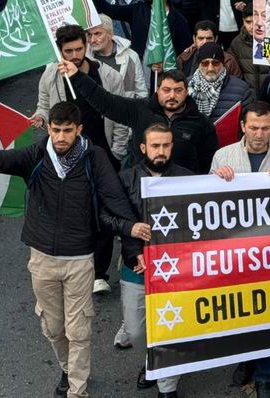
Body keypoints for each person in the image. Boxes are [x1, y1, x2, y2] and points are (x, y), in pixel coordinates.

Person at [0, 102, 142, 398]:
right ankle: (68, 369)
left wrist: (133, 248)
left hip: (79, 259)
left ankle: (77, 390)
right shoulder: (38, 154)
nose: (60, 137)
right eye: (56, 130)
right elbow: (1, 160)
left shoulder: (94, 158)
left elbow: (116, 201)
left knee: (78, 330)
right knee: (54, 328)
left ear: (79, 130)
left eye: (67, 131)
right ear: (49, 128)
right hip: (42, 258)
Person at [34, 24, 131, 292]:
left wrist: (117, 151)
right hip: (66, 159)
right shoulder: (50, 76)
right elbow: (43, 105)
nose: (75, 55)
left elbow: (120, 114)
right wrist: (40, 117)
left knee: (103, 213)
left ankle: (99, 273)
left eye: (79, 49)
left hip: (102, 154)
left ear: (86, 46)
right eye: (68, 51)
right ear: (59, 51)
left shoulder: (107, 75)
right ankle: (75, 267)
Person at [211, 102, 270, 398]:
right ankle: (246, 359)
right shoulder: (223, 156)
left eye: (265, 128)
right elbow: (206, 205)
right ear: (243, 127)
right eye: (254, 128)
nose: (259, 134)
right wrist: (216, 178)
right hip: (236, 252)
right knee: (240, 313)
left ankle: (264, 377)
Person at [105, 123, 189, 398]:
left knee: (172, 327)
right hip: (136, 267)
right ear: (143, 148)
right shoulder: (125, 178)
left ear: (172, 147)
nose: (160, 151)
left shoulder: (188, 178)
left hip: (177, 271)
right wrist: (130, 231)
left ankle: (167, 386)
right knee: (136, 332)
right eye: (155, 146)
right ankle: (152, 359)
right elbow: (105, 216)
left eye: (166, 145)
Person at [64, 60, 219, 173]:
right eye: (166, 90)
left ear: (186, 92)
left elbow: (208, 164)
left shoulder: (201, 123)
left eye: (178, 91)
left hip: (181, 192)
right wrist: (78, 77)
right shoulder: (139, 109)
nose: (172, 95)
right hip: (141, 187)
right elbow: (106, 102)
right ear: (157, 90)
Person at [85, 0, 190, 59]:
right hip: (140, 65)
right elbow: (109, 10)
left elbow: (184, 51)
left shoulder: (179, 21)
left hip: (165, 70)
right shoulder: (138, 10)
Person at [187, 42, 252, 123]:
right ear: (199, 65)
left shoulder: (242, 89)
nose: (210, 68)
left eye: (215, 63)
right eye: (205, 63)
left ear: (222, 64)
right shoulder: (186, 86)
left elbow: (247, 122)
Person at [86, 16, 148, 99]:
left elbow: (141, 92)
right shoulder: (85, 58)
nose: (92, 40)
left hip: (127, 106)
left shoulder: (131, 56)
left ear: (110, 34)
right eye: (89, 35)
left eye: (97, 34)